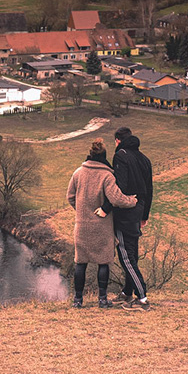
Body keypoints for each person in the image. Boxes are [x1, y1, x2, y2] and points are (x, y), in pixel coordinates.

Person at [66, 140, 137, 307]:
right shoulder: (107, 176)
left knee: (80, 262)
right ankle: (103, 300)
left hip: (82, 225)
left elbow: (70, 197)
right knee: (103, 262)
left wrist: (81, 210)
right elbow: (116, 199)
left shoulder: (78, 173)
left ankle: (77, 300)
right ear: (104, 156)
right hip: (102, 226)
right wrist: (132, 201)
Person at [109, 126, 153, 309]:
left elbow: (120, 187)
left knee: (126, 256)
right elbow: (149, 189)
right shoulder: (144, 159)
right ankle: (127, 293)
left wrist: (109, 207)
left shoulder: (120, 156)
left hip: (125, 212)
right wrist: (145, 215)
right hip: (139, 210)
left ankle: (142, 297)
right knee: (132, 254)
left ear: (117, 140)